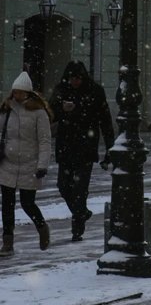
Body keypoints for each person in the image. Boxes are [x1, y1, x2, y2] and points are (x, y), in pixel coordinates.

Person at [49, 61, 114, 242]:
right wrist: (61, 109)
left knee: (79, 188)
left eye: (77, 78)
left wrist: (110, 147)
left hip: (86, 145)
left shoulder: (95, 91)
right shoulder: (61, 90)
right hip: (65, 145)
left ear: (83, 77)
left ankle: (77, 227)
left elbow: (105, 121)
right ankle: (81, 212)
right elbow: (50, 113)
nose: (74, 82)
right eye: (71, 78)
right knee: (63, 186)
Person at [0, 71, 53, 255]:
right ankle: (7, 243)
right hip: (8, 164)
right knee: (6, 205)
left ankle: (42, 227)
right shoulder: (6, 110)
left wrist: (42, 165)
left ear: (28, 93)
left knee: (27, 203)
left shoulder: (38, 113)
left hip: (30, 165)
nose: (17, 95)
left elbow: (45, 141)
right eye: (15, 92)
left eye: (21, 92)